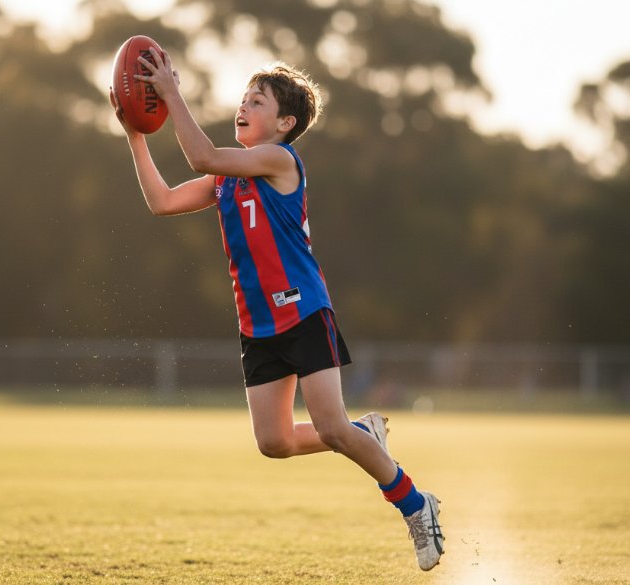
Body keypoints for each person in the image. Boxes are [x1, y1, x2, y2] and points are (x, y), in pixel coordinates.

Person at [109, 50, 444, 571]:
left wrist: (171, 93)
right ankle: (362, 434)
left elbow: (201, 156)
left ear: (285, 124)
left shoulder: (280, 160)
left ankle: (415, 503)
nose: (244, 104)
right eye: (244, 97)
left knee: (330, 427)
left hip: (304, 311)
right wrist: (135, 135)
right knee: (275, 442)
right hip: (258, 323)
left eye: (257, 100)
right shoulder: (228, 179)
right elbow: (162, 202)